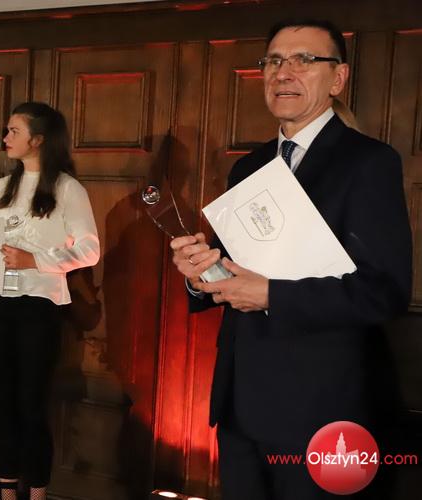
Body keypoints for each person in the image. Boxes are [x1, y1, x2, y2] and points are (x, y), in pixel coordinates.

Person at [171, 19, 412, 500]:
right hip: (241, 403)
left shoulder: (368, 162)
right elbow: (234, 272)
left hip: (323, 407)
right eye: (275, 60)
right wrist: (201, 275)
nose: (284, 72)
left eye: (305, 60)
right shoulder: (249, 166)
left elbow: (384, 292)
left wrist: (271, 294)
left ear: (338, 78)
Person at [0, 102, 100, 500]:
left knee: (32, 402)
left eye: (14, 131)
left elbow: (90, 250)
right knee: (3, 401)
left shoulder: (67, 188)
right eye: (7, 131)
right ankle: (6, 491)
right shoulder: (2, 187)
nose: (5, 138)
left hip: (37, 305)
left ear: (38, 140)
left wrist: (36, 260)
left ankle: (37, 492)